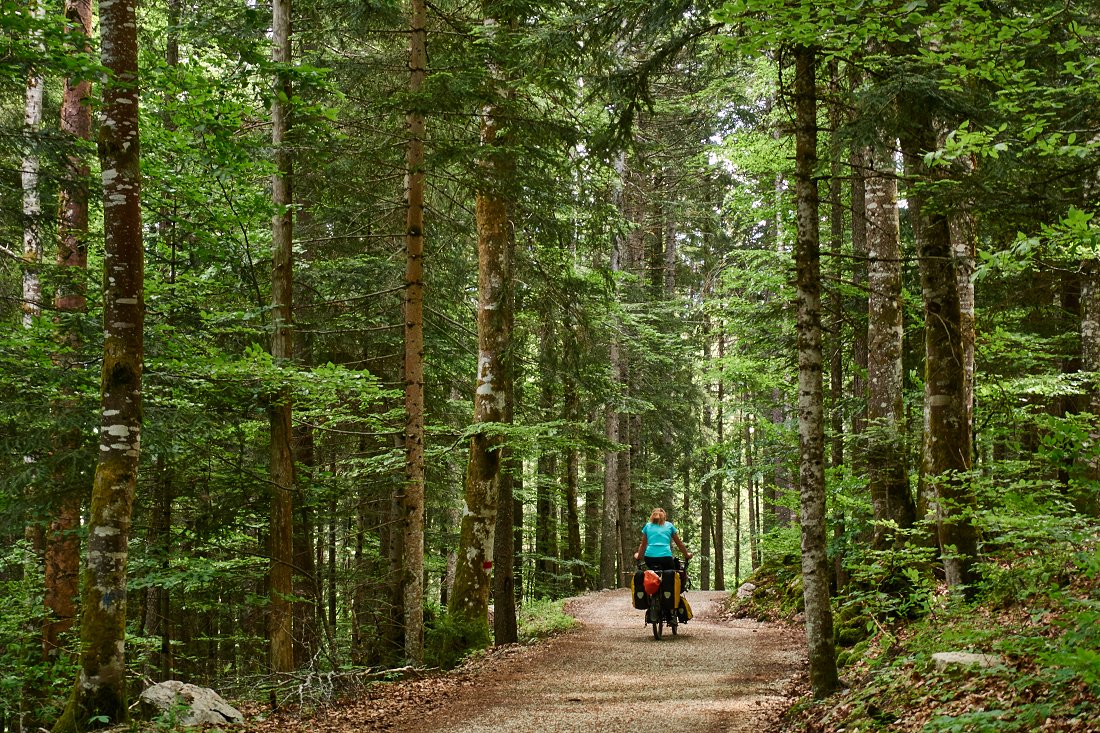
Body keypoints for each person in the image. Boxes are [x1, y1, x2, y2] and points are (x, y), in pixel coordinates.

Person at [634, 507, 692, 571]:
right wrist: (687, 555)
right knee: (673, 573)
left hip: (649, 558)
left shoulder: (648, 526)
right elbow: (679, 544)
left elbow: (643, 545)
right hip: (666, 557)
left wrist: (638, 556)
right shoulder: (669, 526)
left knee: (651, 574)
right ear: (664, 516)